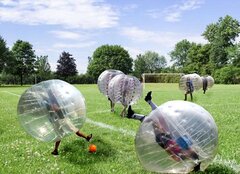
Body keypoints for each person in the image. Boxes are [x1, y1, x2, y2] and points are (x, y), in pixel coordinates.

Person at [127, 91, 201, 172]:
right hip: (168, 134)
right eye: (191, 151)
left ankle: (137, 111)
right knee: (160, 116)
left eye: (190, 153)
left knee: (154, 121)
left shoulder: (179, 157)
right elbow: (180, 135)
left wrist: (169, 147)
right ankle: (137, 111)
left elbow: (168, 150)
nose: (190, 151)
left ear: (189, 157)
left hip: (163, 139)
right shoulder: (186, 145)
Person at [42, 89, 92, 155]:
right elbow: (55, 109)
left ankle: (55, 150)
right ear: (51, 93)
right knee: (71, 130)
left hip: (58, 119)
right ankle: (86, 138)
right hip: (60, 119)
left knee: (61, 134)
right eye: (54, 92)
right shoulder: (52, 100)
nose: (55, 93)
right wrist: (64, 107)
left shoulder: (50, 99)